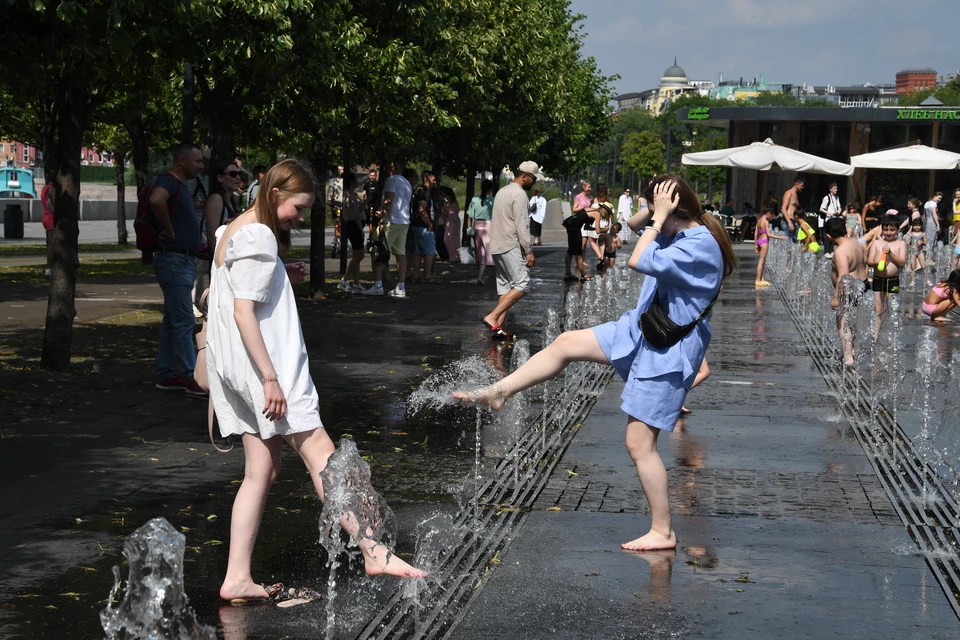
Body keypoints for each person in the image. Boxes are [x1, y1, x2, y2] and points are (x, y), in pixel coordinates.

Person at [455, 175, 737, 551]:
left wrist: (659, 215)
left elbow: (636, 258)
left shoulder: (698, 244)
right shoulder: (684, 230)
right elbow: (632, 226)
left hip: (668, 349)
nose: (652, 214)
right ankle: (499, 391)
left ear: (674, 210)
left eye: (658, 206)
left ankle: (663, 531)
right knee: (565, 343)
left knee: (639, 444)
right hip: (644, 329)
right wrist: (654, 210)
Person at [207, 160, 428, 604]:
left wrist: (279, 277)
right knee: (326, 459)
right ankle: (375, 551)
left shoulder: (233, 229)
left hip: (241, 370)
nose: (302, 217)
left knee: (261, 473)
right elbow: (242, 311)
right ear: (274, 195)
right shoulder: (259, 234)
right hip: (271, 373)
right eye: (299, 207)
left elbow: (227, 295)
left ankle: (237, 577)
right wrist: (270, 378)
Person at [150, 142, 205, 396]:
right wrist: (170, 230)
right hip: (174, 260)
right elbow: (156, 199)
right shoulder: (170, 181)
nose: (201, 166)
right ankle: (192, 376)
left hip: (180, 259)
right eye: (197, 161)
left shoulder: (180, 185)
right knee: (183, 320)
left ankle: (166, 374)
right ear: (182, 160)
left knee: (173, 320)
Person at [482, 161, 540, 340]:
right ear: (524, 176)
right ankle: (492, 317)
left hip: (497, 244)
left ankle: (497, 328)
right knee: (522, 284)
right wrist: (528, 250)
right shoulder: (519, 195)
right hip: (510, 243)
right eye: (533, 178)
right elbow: (522, 224)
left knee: (506, 287)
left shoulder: (502, 191)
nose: (534, 182)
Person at [361, 160, 412, 298]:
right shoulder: (407, 183)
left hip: (391, 221)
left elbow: (388, 200)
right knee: (400, 254)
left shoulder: (391, 180)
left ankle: (378, 285)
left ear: (393, 168)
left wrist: (382, 218)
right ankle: (401, 287)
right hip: (403, 221)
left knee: (377, 251)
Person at [196, 162, 241, 310]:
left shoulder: (230, 200)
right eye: (233, 174)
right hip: (220, 261)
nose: (238, 178)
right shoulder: (216, 199)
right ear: (220, 178)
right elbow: (212, 234)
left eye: (239, 174)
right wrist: (220, 263)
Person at [824, 217, 868, 366]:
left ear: (829, 236)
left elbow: (844, 277)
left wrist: (836, 297)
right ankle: (852, 351)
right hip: (863, 285)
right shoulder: (858, 244)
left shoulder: (841, 252)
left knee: (843, 323)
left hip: (849, 290)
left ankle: (848, 357)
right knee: (852, 323)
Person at [866, 215, 906, 320]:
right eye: (886, 229)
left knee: (893, 310)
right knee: (878, 310)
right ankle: (876, 335)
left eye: (892, 230)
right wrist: (878, 262)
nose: (888, 232)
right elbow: (869, 262)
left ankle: (891, 334)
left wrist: (890, 253)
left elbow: (901, 263)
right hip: (878, 279)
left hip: (892, 280)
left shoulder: (900, 244)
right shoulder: (877, 243)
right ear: (882, 229)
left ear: (898, 230)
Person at [337, 173, 367, 293]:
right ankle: (345, 279)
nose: (358, 182)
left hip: (356, 224)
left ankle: (356, 282)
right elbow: (354, 214)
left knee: (356, 255)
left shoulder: (354, 195)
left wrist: (365, 202)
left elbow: (358, 210)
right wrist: (360, 229)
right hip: (353, 225)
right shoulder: (348, 196)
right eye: (355, 180)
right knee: (360, 255)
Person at [408, 171, 437, 283]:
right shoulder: (424, 192)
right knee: (430, 251)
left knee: (419, 251)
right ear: (426, 179)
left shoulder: (418, 190)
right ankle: (428, 276)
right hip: (423, 226)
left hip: (416, 225)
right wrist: (429, 224)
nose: (435, 183)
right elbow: (422, 210)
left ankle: (416, 275)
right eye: (433, 180)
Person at [466, 179, 495, 285]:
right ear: (490, 189)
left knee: (480, 251)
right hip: (489, 225)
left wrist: (469, 228)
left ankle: (481, 275)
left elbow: (469, 215)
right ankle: (482, 275)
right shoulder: (492, 200)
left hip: (477, 226)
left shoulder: (474, 199)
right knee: (488, 250)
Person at [565, 180, 592, 278]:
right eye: (588, 187)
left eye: (590, 187)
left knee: (573, 249)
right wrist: (583, 208)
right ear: (583, 187)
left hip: (581, 225)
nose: (590, 189)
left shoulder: (587, 198)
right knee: (574, 250)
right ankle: (582, 273)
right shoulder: (578, 197)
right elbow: (574, 209)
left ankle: (569, 273)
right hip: (575, 225)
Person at [754, 206, 785, 286]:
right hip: (764, 241)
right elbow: (768, 234)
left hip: (760, 241)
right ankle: (758, 280)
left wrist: (756, 244)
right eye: (771, 215)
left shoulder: (759, 220)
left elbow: (756, 234)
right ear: (768, 213)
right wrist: (780, 237)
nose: (771, 217)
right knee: (761, 261)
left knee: (763, 261)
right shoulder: (766, 222)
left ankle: (762, 279)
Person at [582, 184, 608, 262]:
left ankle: (600, 257)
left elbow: (592, 213)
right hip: (605, 222)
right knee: (602, 242)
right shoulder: (608, 200)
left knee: (592, 241)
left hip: (596, 223)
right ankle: (601, 260)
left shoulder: (595, 200)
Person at [437, 186, 461, 263]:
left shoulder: (454, 203)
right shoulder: (446, 203)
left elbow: (453, 214)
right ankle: (449, 255)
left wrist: (446, 211)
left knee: (453, 239)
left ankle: (454, 256)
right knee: (446, 238)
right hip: (448, 221)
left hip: (454, 222)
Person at [905, 218, 928, 287]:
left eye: (918, 225)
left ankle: (927, 279)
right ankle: (912, 280)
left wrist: (922, 242)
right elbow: (908, 243)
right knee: (912, 267)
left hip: (920, 252)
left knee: (924, 266)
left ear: (921, 226)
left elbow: (926, 242)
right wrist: (908, 240)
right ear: (912, 226)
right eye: (915, 225)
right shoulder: (911, 234)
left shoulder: (923, 234)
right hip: (913, 252)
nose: (917, 227)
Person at [780, 176, 804, 241]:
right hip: (787, 221)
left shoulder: (796, 195)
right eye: (802, 185)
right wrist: (789, 222)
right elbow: (783, 209)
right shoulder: (788, 193)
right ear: (797, 184)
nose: (802, 187)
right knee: (788, 242)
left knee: (795, 242)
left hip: (794, 221)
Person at [40, 176, 55, 276]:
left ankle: (49, 267)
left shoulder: (44, 189)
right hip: (51, 219)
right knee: (52, 245)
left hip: (46, 216)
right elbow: (54, 205)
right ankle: (49, 268)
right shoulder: (51, 190)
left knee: (49, 244)